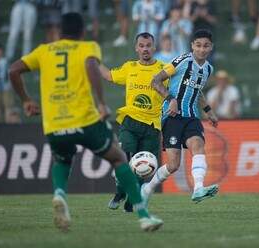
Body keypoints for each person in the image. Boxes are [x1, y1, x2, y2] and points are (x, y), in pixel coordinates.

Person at [9, 12, 163, 232]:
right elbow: (93, 67)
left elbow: (13, 70)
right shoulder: (87, 47)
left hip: (54, 122)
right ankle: (143, 215)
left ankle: (60, 194)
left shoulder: (43, 51)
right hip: (85, 119)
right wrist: (101, 103)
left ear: (58, 32)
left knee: (62, 160)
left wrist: (25, 100)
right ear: (82, 32)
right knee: (119, 159)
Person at [141, 29, 219, 207]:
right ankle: (147, 189)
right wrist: (171, 100)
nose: (201, 49)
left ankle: (198, 188)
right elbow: (155, 81)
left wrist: (208, 111)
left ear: (211, 47)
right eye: (198, 45)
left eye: (205, 46)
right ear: (192, 45)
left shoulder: (208, 68)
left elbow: (197, 90)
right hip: (172, 115)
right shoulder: (182, 61)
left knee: (198, 145)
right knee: (173, 164)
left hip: (192, 116)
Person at [99, 32, 167, 212]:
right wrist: (92, 61)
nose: (145, 49)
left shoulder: (163, 70)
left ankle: (132, 198)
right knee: (124, 159)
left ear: (154, 47)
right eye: (142, 46)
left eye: (148, 45)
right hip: (130, 122)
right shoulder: (129, 67)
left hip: (152, 126)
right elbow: (108, 76)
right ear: (136, 48)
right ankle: (120, 192)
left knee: (143, 167)